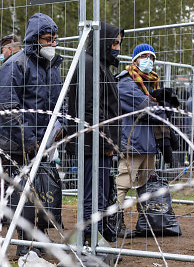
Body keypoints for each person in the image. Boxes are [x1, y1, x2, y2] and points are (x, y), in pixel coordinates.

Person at [0, 13, 64, 256]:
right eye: (47, 39)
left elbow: (58, 102)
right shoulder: (15, 65)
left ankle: (41, 237)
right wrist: (29, 141)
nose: (52, 45)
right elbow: (8, 108)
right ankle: (24, 245)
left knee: (45, 192)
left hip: (44, 143)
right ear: (35, 40)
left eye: (55, 40)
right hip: (18, 144)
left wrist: (59, 128)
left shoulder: (53, 66)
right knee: (22, 195)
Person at [66, 21, 124, 242]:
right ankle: (89, 243)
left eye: (119, 43)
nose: (117, 48)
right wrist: (107, 143)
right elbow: (91, 110)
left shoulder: (99, 65)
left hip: (100, 145)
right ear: (103, 42)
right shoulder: (90, 64)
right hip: (94, 145)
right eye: (113, 43)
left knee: (100, 195)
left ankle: (93, 241)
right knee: (93, 197)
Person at [116, 43, 167, 235]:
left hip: (149, 143)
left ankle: (145, 222)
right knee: (124, 183)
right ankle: (116, 221)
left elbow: (156, 108)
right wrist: (161, 106)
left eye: (152, 58)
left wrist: (159, 107)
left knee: (146, 184)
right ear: (135, 59)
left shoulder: (150, 82)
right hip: (133, 142)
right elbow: (147, 107)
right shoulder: (126, 82)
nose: (149, 61)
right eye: (145, 56)